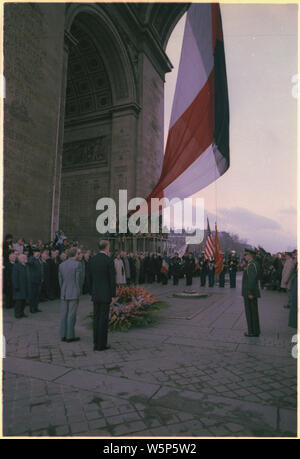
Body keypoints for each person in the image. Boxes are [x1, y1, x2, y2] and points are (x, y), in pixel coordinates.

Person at [88, 240, 116, 351]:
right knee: (103, 319)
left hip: (95, 293)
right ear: (106, 247)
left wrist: (91, 290)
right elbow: (111, 280)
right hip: (105, 294)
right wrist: (113, 295)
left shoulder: (92, 260)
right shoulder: (108, 261)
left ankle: (95, 342)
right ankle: (102, 344)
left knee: (96, 318)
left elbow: (88, 277)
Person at [58, 248, 82, 343]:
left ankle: (63, 335)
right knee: (71, 314)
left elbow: (60, 280)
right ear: (76, 254)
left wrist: (63, 289)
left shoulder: (61, 265)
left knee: (64, 314)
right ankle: (70, 336)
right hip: (74, 291)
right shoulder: (77, 264)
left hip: (64, 291)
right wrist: (79, 292)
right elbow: (78, 280)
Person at [242, 248, 261, 337]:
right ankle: (255, 331)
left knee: (250, 312)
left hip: (250, 292)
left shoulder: (252, 265)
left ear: (250, 255)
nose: (244, 256)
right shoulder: (252, 264)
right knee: (253, 312)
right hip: (251, 292)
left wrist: (249, 292)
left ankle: (252, 331)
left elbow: (252, 280)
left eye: (246, 254)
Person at [12, 253, 30, 319]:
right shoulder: (16, 266)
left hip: (25, 287)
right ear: (21, 259)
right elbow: (14, 277)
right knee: (18, 302)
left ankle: (22, 313)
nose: (26, 259)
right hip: (19, 287)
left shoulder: (26, 266)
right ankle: (17, 314)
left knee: (23, 301)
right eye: (25, 258)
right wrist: (16, 286)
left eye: (26, 258)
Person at [27, 248, 43, 313]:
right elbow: (29, 263)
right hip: (33, 280)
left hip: (39, 280)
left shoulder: (39, 259)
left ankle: (36, 307)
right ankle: (32, 309)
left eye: (39, 252)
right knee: (32, 295)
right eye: (36, 252)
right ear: (34, 253)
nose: (38, 253)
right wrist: (34, 257)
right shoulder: (31, 258)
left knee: (37, 295)